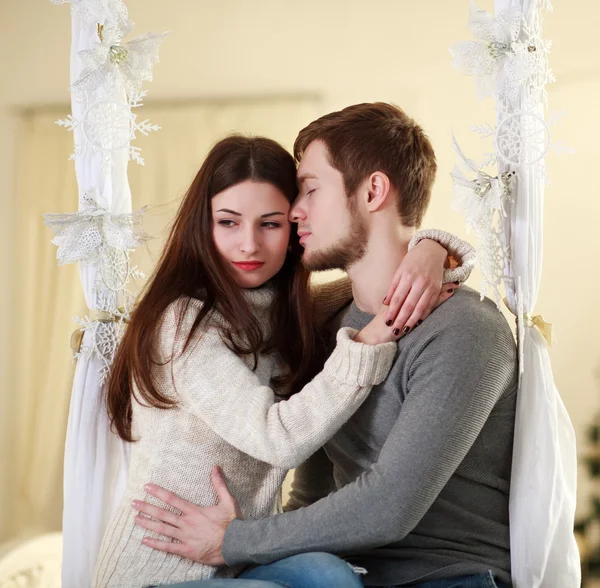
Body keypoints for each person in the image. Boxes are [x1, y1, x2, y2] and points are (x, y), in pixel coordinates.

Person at [134, 103, 518, 588]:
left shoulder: (465, 330)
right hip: (345, 575)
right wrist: (436, 245)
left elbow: (387, 508)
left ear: (373, 191)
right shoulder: (326, 320)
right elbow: (310, 484)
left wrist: (235, 540)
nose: (295, 211)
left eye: (310, 190)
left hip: (444, 577)